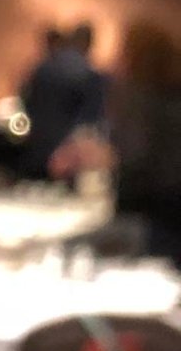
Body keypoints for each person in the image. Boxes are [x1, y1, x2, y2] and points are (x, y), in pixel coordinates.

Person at [55, 21, 181, 264]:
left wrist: (102, 156)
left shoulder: (141, 97)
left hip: (151, 225)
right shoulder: (170, 98)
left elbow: (139, 161)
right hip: (166, 223)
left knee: (67, 250)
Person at [21, 22, 106, 178]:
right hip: (70, 156)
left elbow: (26, 102)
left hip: (37, 146)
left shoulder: (40, 69)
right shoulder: (89, 74)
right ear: (90, 43)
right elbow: (90, 120)